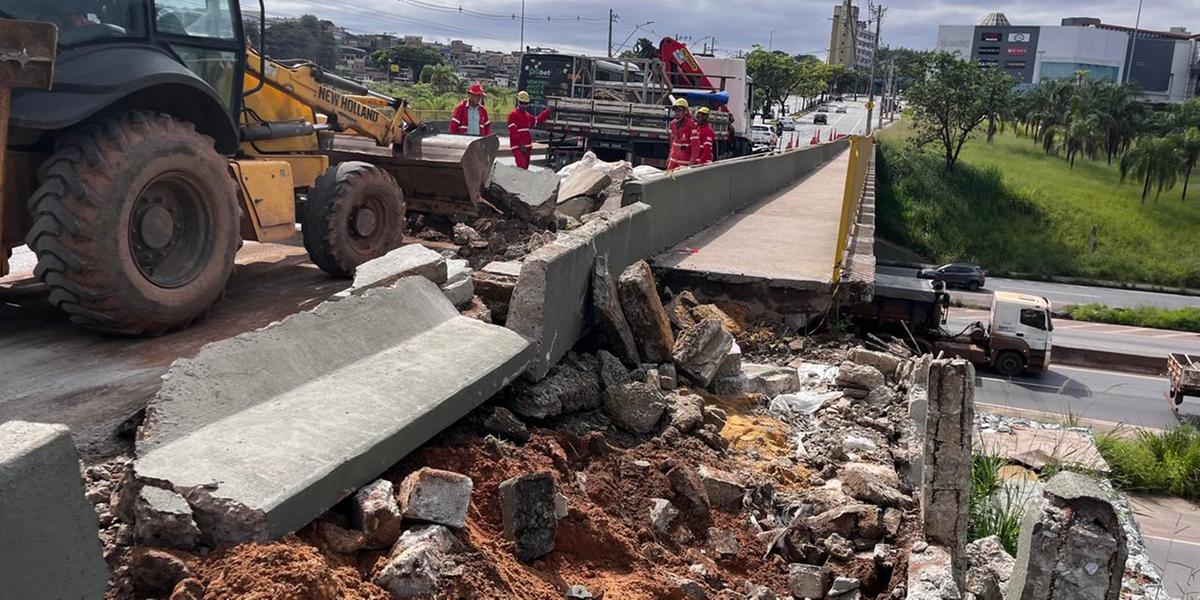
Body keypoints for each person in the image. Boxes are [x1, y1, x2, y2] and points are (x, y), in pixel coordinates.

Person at [506, 91, 552, 170]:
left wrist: (547, 112)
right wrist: (520, 145)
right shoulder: (513, 115)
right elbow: (513, 132)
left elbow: (537, 120)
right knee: (521, 167)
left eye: (525, 103)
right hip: (518, 147)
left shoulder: (527, 115)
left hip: (527, 147)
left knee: (525, 168)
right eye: (521, 102)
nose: (523, 105)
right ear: (518, 102)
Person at [666, 98, 697, 170]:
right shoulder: (673, 123)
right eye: (675, 111)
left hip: (684, 163)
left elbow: (695, 147)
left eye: (679, 110)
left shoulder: (691, 125)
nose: (677, 113)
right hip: (673, 161)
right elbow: (672, 142)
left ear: (685, 111)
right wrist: (669, 157)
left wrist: (691, 162)